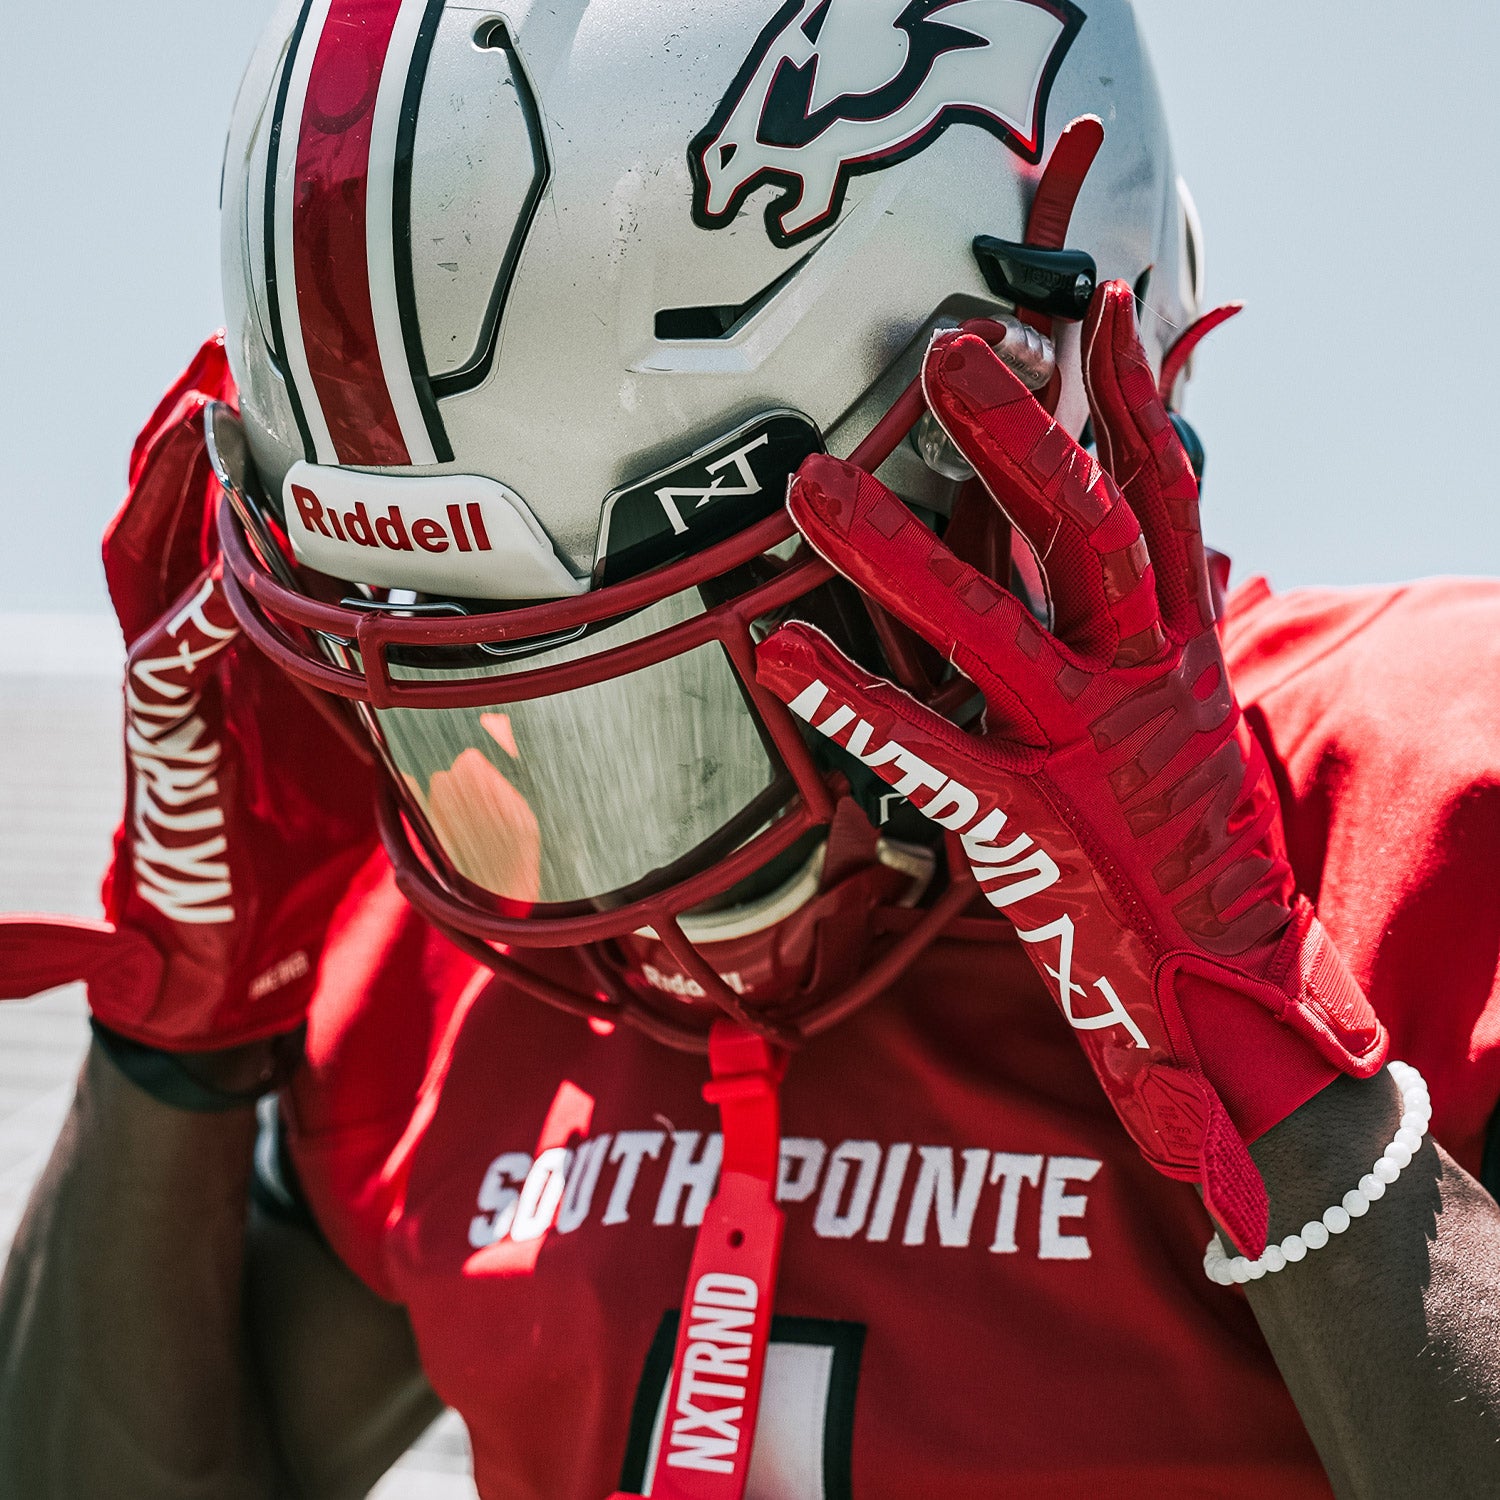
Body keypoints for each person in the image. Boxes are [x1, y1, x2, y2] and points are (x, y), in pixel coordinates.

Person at [2, 1, 1498, 1496]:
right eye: (466, 697)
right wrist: (178, 1041)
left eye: (659, 694)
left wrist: (1263, 1039)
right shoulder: (469, 939)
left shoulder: (1412, 807)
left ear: (1018, 439)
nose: (602, 875)